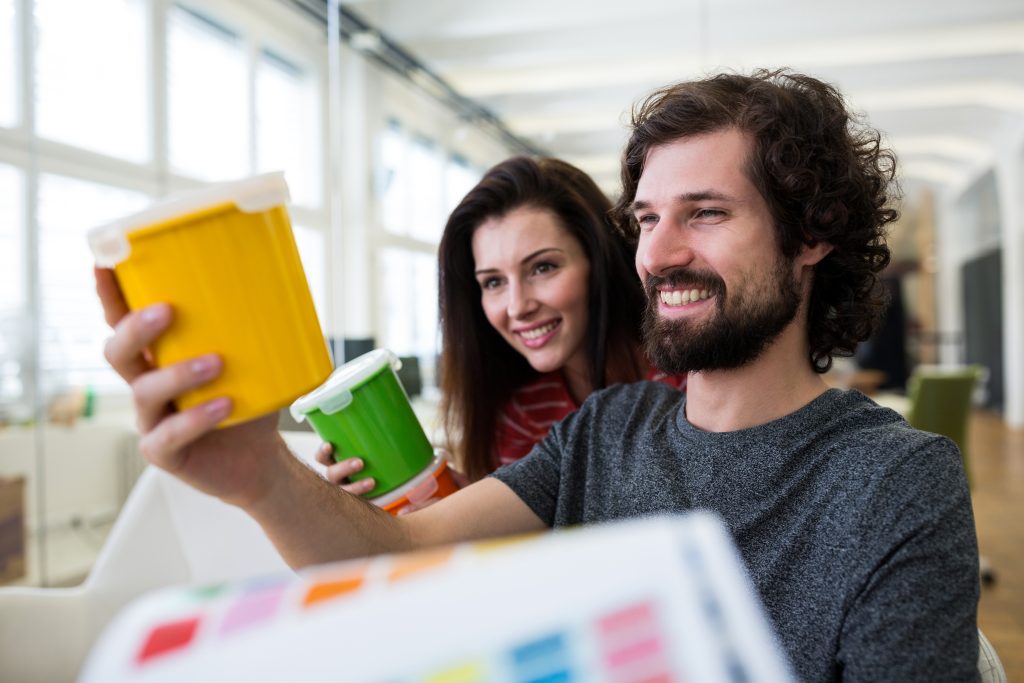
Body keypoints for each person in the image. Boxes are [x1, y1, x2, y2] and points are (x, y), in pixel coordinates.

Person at [96, 69, 979, 681]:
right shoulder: (606, 429)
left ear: (814, 234)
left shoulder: (897, 480)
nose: (659, 254)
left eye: (706, 214)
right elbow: (398, 557)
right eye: (647, 219)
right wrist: (261, 477)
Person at [317, 156, 685, 492]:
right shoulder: (521, 413)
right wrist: (465, 505)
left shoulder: (690, 372)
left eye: (543, 267)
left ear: (599, 261)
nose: (517, 307)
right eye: (493, 282)